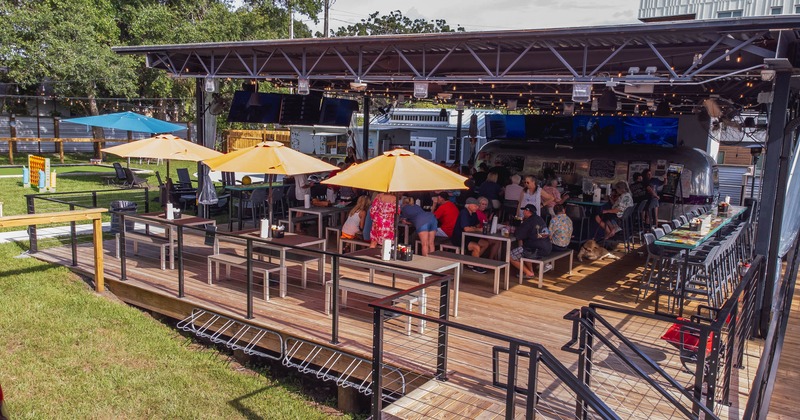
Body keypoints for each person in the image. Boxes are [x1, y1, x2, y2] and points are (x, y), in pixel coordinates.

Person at [452, 198, 500, 273]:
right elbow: (467, 229)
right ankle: (476, 266)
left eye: (477, 206)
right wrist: (476, 229)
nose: (477, 207)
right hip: (460, 238)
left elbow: (477, 225)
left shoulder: (473, 213)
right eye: (475, 206)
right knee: (476, 246)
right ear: (468, 205)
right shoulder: (464, 212)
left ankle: (472, 261)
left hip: (470, 237)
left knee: (485, 243)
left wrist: (474, 228)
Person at [510, 204, 552, 278]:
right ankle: (530, 271)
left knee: (510, 256)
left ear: (527, 211)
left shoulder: (528, 221)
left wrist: (520, 225)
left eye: (524, 210)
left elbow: (518, 235)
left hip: (535, 250)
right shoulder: (539, 218)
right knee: (523, 249)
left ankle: (529, 273)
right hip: (547, 247)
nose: (523, 212)